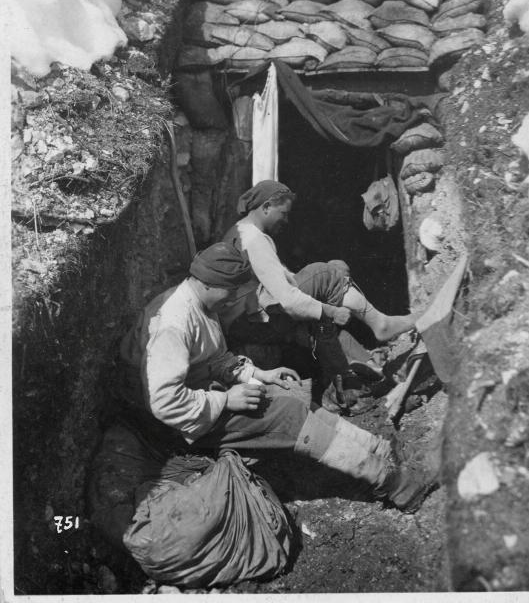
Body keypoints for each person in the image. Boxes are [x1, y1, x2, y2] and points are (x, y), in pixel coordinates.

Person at [118, 242, 437, 514]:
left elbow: (215, 359)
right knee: (286, 414)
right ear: (208, 283)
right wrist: (227, 399)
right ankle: (394, 485)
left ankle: (376, 449)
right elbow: (163, 402)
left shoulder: (201, 302)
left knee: (292, 394)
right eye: (230, 293)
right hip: (180, 423)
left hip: (202, 395)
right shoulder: (174, 325)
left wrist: (259, 374)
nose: (232, 302)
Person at [219, 180, 416, 378]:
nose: (286, 221)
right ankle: (380, 324)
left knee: (331, 278)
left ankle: (367, 367)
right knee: (323, 273)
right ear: (266, 207)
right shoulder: (255, 240)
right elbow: (287, 300)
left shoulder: (241, 230)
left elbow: (279, 280)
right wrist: (331, 308)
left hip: (246, 321)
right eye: (284, 213)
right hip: (250, 323)